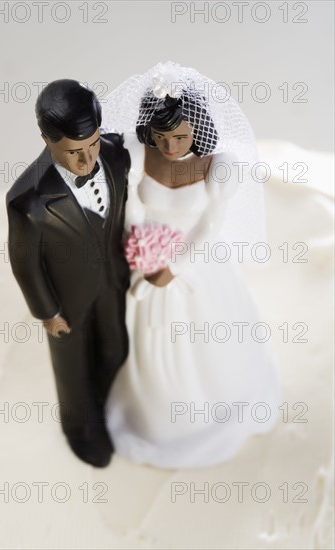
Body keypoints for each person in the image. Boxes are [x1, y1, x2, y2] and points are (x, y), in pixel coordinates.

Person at [103, 62, 280, 468]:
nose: (170, 147)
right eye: (161, 137)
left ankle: (216, 409)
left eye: (180, 137)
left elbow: (209, 225)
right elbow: (131, 205)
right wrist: (139, 244)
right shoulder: (135, 153)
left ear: (197, 130)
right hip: (147, 259)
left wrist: (175, 267)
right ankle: (158, 417)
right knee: (153, 341)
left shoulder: (220, 169)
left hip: (196, 263)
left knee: (207, 338)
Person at [6, 79, 130, 467]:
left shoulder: (114, 155)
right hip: (67, 300)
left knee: (115, 347)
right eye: (74, 152)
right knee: (72, 369)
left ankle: (111, 409)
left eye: (92, 144)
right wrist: (47, 312)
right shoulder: (28, 201)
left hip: (113, 282)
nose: (87, 159)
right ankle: (81, 428)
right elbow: (25, 264)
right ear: (45, 139)